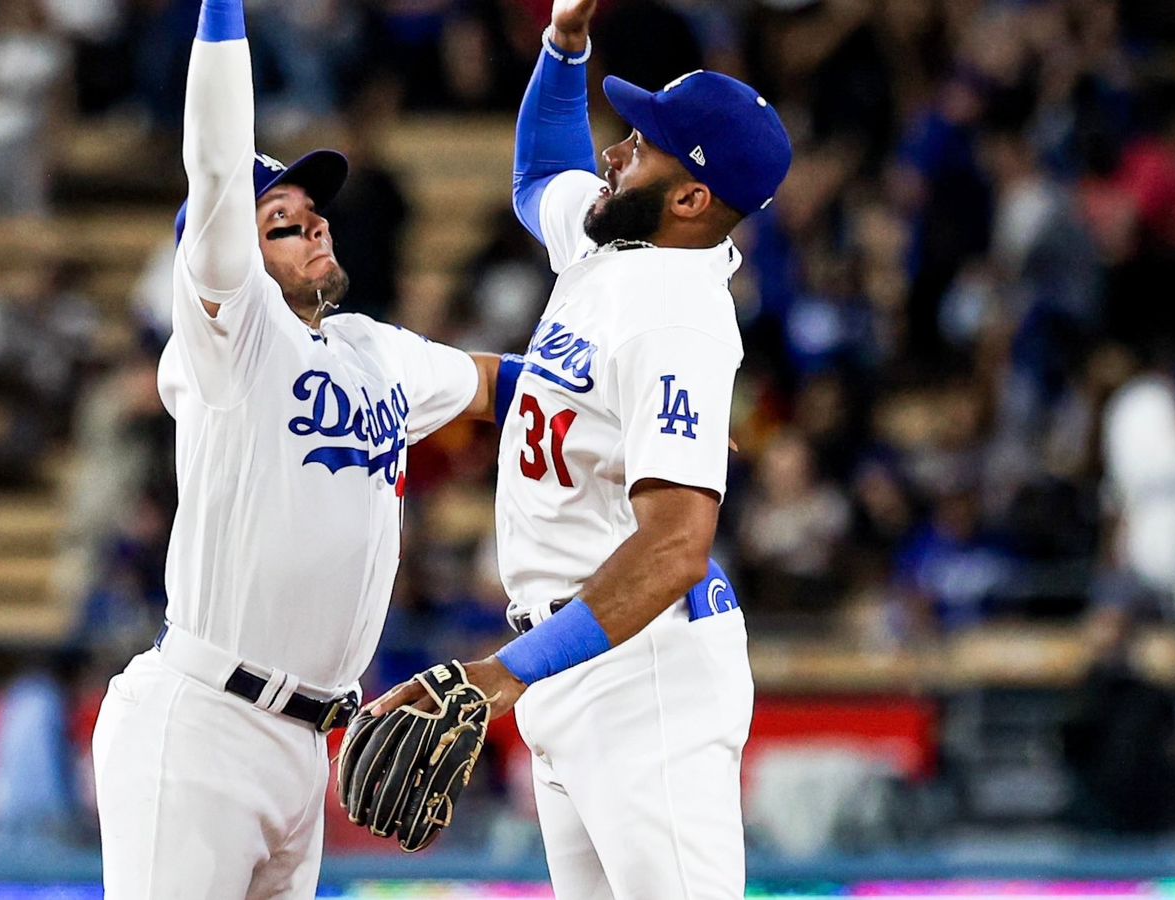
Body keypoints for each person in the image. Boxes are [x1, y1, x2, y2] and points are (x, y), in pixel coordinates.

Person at [368, 0, 792, 897]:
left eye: (641, 144)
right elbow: (537, 174)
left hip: (644, 677)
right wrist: (564, 44)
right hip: (568, 660)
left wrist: (499, 678)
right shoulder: (612, 244)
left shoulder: (679, 317)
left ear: (690, 199)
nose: (614, 149)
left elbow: (676, 548)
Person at [87, 1, 501, 896]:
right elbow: (213, 165)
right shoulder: (233, 340)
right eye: (281, 220)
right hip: (204, 728)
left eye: (313, 212)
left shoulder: (371, 347)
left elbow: (507, 384)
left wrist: (617, 381)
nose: (313, 225)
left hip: (308, 745)